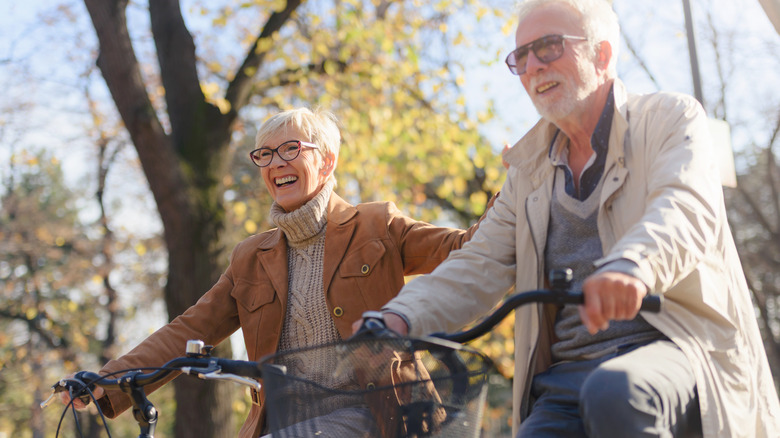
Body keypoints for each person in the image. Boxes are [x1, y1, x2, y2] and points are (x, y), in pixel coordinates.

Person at [364, 0, 780, 437]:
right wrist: (397, 318)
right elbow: (477, 263)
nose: (532, 67)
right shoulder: (527, 175)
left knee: (615, 392)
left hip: (675, 349)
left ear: (601, 55)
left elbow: (684, 207)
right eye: (520, 57)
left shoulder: (670, 119)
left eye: (547, 47)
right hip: (565, 381)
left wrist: (632, 266)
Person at [61, 107, 494, 438]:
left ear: (326, 161)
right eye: (264, 154)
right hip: (286, 423)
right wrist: (107, 381)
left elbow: (461, 248)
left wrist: (510, 202)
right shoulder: (251, 258)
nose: (275, 163)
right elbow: (187, 329)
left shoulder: (376, 225)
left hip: (377, 414)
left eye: (291, 149)